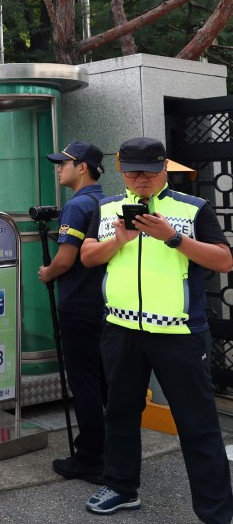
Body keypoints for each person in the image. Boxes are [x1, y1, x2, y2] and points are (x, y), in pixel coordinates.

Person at [81, 137, 233, 521]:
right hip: (120, 328)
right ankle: (121, 487)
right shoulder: (106, 208)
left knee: (197, 423)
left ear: (165, 168)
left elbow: (224, 261)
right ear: (121, 169)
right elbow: (87, 256)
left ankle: (216, 510)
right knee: (120, 412)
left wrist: (174, 238)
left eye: (149, 171)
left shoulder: (192, 208)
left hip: (178, 332)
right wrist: (118, 240)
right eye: (132, 171)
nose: (141, 179)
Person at [37, 142, 108, 484]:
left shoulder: (77, 205)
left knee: (84, 383)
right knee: (104, 381)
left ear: (82, 167)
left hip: (78, 306)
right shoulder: (106, 201)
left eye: (63, 163)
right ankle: (111, 450)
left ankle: (90, 458)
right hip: (106, 305)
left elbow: (65, 259)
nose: (58, 169)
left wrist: (47, 273)